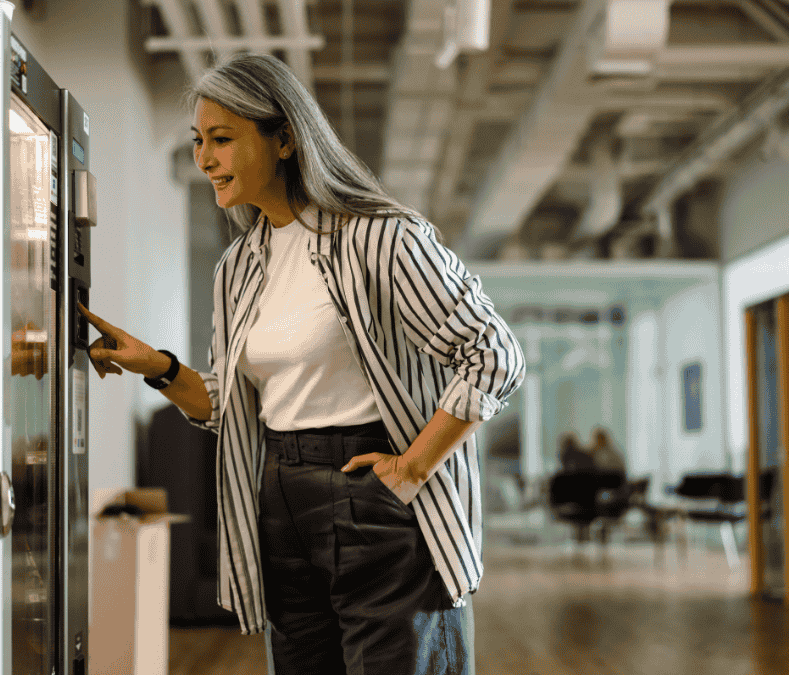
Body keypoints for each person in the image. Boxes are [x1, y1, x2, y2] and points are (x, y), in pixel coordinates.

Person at [76, 53, 524, 675]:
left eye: (224, 139)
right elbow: (231, 408)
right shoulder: (240, 267)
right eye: (199, 141)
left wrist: (413, 468)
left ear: (285, 137)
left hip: (378, 498)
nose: (205, 159)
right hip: (279, 498)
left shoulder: (382, 239)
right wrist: (157, 366)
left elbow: (493, 353)